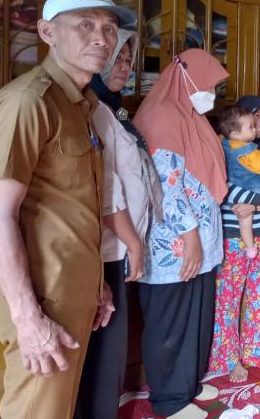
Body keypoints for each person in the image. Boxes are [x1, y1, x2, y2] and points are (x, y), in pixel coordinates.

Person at [0, 0, 133, 418]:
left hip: (74, 292)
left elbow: (74, 206)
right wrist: (28, 319)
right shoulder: (29, 101)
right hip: (42, 300)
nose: (102, 38)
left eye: (108, 27)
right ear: (47, 31)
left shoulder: (82, 106)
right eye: (85, 25)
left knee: (59, 409)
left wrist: (94, 282)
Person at [133, 49, 228, 419]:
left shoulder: (190, 115)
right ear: (187, 78)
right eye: (210, 85)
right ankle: (170, 400)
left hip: (199, 241)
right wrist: (189, 237)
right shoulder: (162, 116)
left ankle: (187, 383)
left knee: (195, 316)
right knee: (170, 320)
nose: (213, 94)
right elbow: (165, 188)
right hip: (173, 244)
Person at [75, 29, 163, 419]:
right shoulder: (92, 111)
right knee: (101, 353)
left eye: (128, 60)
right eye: (118, 58)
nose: (124, 67)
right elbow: (108, 191)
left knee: (106, 354)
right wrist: (135, 243)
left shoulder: (112, 110)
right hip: (105, 249)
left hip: (117, 247)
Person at [209, 97, 260, 383]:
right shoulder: (224, 150)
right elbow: (224, 188)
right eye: (256, 119)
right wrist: (257, 200)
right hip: (232, 237)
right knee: (227, 297)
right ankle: (228, 359)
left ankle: (256, 353)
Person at [217, 104, 260, 259]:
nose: (259, 124)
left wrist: (255, 205)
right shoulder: (249, 150)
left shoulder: (223, 144)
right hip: (230, 231)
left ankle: (252, 248)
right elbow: (219, 182)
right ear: (235, 132)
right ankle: (251, 247)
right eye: (256, 116)